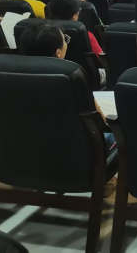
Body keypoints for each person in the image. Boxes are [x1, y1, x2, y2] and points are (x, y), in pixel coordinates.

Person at [19, 22, 117, 193]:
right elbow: (100, 123)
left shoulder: (6, 76)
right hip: (77, 157)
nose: (66, 43)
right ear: (58, 52)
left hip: (24, 152)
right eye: (65, 40)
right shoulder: (71, 78)